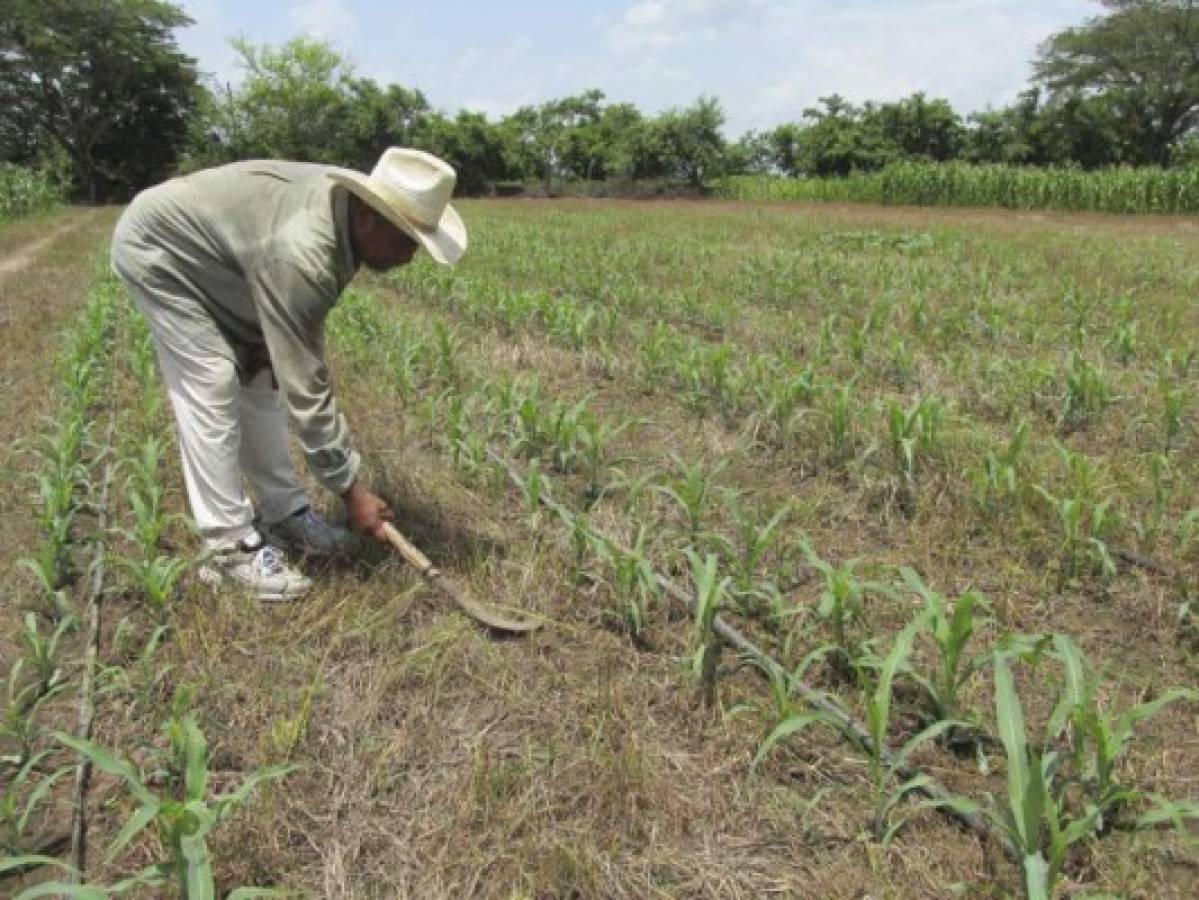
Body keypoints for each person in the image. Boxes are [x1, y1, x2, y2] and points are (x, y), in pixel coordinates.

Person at [110, 148, 467, 601]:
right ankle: (227, 549)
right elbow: (309, 390)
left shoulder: (341, 225)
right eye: (405, 240)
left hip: (229, 256)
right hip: (162, 249)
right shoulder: (305, 252)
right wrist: (351, 490)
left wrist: (263, 342)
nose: (410, 255)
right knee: (212, 380)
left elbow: (270, 282)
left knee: (260, 378)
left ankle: (285, 514)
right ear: (367, 216)